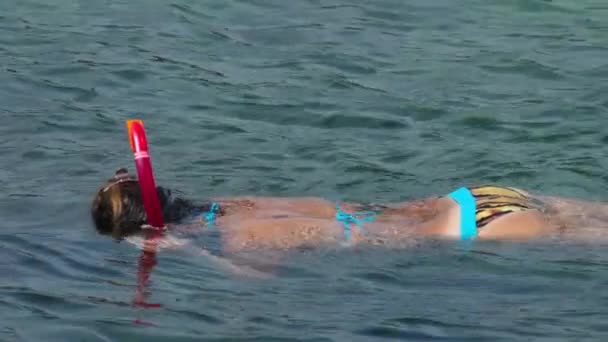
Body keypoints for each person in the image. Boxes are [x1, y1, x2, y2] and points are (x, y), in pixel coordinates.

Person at [91, 168, 608, 253]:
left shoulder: (239, 239)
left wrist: (181, 251)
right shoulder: (244, 204)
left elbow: (251, 295)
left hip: (465, 229)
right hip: (469, 199)